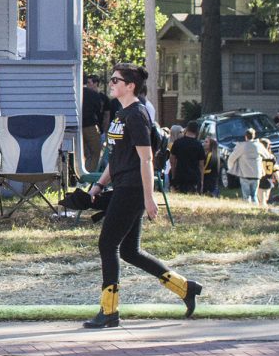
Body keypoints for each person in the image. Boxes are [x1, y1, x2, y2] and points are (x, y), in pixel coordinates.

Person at [84, 63, 201, 329]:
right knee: (129, 251)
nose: (111, 83)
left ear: (130, 86)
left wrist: (149, 198)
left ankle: (109, 311)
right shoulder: (120, 113)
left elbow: (145, 158)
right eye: (111, 79)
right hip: (122, 184)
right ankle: (185, 288)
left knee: (107, 244)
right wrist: (99, 185)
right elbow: (117, 157)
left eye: (116, 80)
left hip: (133, 188)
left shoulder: (136, 115)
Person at [227, 129, 271, 205]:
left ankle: (247, 211)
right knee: (254, 195)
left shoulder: (242, 146)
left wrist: (231, 167)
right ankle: (255, 210)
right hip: (256, 174)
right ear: (254, 136)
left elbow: (231, 158)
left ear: (245, 136)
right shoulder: (258, 145)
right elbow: (267, 156)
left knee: (246, 196)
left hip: (245, 174)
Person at [169, 121, 206, 194]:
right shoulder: (199, 145)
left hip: (180, 174)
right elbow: (201, 165)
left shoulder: (177, 143)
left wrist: (173, 174)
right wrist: (201, 181)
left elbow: (172, 160)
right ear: (197, 131)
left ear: (187, 129)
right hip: (194, 176)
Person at [81, 74, 107, 172]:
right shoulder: (93, 94)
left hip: (75, 126)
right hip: (90, 126)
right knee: (96, 151)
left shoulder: (73, 93)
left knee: (82, 152)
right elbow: (99, 112)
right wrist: (101, 128)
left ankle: (81, 172)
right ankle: (88, 173)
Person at [258, 138, 279, 206]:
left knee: (261, 200)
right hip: (269, 179)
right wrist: (277, 179)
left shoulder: (259, 156)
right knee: (266, 199)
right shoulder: (272, 156)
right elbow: (275, 169)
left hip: (260, 178)